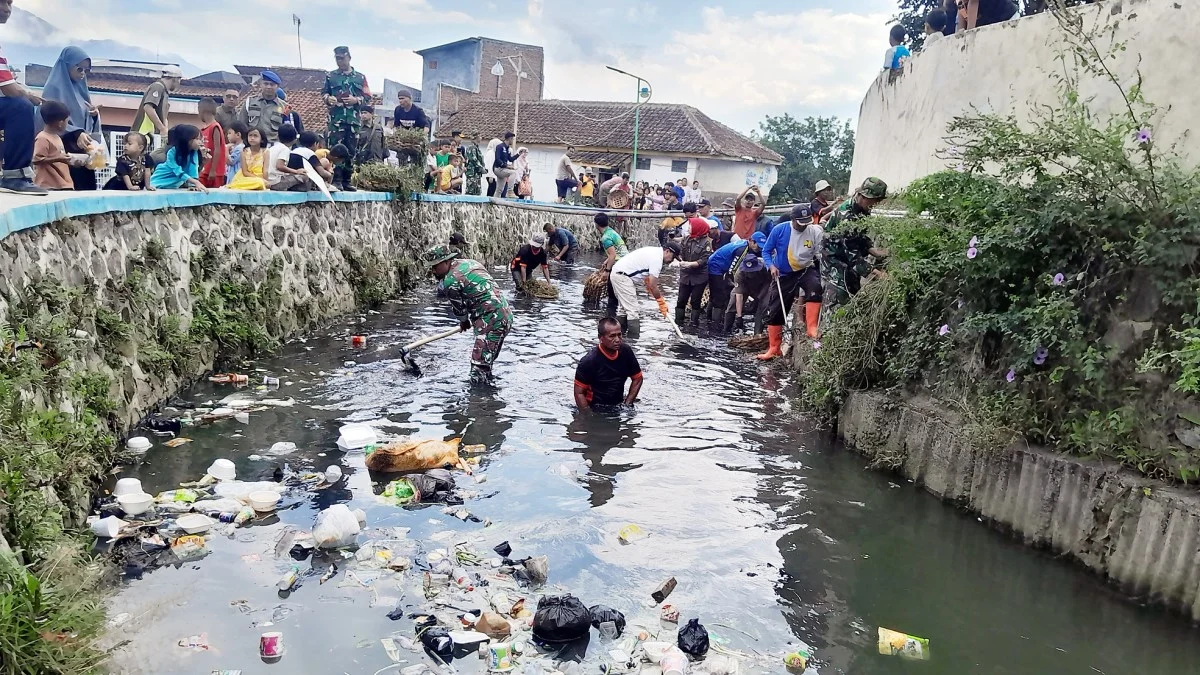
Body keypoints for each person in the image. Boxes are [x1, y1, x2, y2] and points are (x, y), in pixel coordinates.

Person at [424, 245, 514, 382]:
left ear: (446, 261)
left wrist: (464, 322)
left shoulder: (451, 281)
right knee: (486, 364)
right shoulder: (471, 263)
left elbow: (460, 311)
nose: (433, 271)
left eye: (435, 266)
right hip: (505, 316)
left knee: (478, 371)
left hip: (490, 322)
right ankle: (490, 399)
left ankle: (480, 402)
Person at [758, 204, 823, 360]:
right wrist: (771, 266)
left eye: (806, 223)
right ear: (793, 220)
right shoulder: (780, 230)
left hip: (805, 269)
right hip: (783, 273)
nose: (803, 227)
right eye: (800, 223)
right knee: (775, 310)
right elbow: (766, 251)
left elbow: (819, 254)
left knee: (815, 286)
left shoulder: (814, 231)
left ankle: (812, 327)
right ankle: (774, 348)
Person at [822, 177, 891, 315]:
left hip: (848, 263)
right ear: (864, 196)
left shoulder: (862, 209)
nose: (876, 205)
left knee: (852, 299)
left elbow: (860, 237)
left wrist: (874, 252)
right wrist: (878, 274)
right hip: (835, 264)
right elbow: (853, 258)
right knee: (837, 305)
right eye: (875, 201)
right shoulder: (846, 217)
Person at [40, 46, 101, 190]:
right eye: (79, 69)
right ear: (66, 66)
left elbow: (85, 120)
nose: (83, 74)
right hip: (61, 151)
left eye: (86, 71)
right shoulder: (54, 89)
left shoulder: (81, 90)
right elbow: (50, 120)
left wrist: (93, 115)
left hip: (82, 152)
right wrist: (76, 132)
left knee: (86, 192)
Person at [324, 46, 371, 191]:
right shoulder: (331, 76)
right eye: (337, 58)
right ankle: (336, 179)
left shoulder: (360, 77)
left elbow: (368, 97)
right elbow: (324, 93)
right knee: (336, 149)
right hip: (336, 120)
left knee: (351, 150)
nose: (340, 61)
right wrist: (328, 99)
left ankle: (346, 180)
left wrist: (356, 100)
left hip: (353, 120)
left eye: (342, 58)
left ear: (349, 57)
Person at [607, 242, 680, 332]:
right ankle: (633, 339)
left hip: (619, 273)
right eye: (673, 257)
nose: (672, 260)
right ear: (667, 251)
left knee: (624, 309)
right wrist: (661, 302)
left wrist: (648, 283)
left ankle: (619, 334)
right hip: (622, 276)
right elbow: (653, 285)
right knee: (633, 311)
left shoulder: (654, 251)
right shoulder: (657, 259)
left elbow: (647, 277)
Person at [574, 317, 643, 409]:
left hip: (617, 405)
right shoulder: (589, 361)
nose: (617, 339)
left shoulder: (626, 352)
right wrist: (588, 416)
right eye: (612, 336)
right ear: (600, 338)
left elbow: (638, 378)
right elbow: (579, 393)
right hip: (595, 407)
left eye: (619, 335)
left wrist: (627, 404)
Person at [707, 231, 761, 328]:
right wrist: (736, 283)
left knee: (716, 295)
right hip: (716, 266)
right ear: (752, 242)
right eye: (758, 245)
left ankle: (712, 318)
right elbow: (732, 270)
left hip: (719, 263)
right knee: (719, 296)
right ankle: (716, 323)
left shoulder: (744, 244)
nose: (759, 248)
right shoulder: (742, 250)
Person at [676, 216, 713, 327]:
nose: (689, 228)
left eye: (691, 226)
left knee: (696, 301)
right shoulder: (687, 239)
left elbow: (704, 260)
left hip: (699, 276)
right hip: (686, 275)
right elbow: (680, 252)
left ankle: (694, 324)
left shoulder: (706, 243)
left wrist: (690, 264)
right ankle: (678, 322)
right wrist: (681, 261)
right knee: (681, 300)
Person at [149, 124, 208, 191]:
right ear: (186, 139)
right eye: (197, 139)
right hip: (158, 182)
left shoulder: (194, 153)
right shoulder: (172, 153)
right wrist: (196, 182)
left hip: (173, 186)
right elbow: (177, 171)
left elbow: (193, 170)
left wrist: (193, 185)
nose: (200, 142)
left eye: (200, 139)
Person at [33, 101, 75, 190]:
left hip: (62, 184)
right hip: (49, 185)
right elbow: (36, 159)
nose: (67, 124)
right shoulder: (42, 138)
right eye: (67, 121)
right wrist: (59, 158)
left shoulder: (57, 137)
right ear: (60, 123)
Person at [130, 64, 181, 137]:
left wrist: (165, 128)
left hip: (151, 136)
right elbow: (148, 107)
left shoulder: (164, 91)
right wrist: (162, 128)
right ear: (175, 79)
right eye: (179, 79)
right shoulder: (158, 86)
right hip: (143, 135)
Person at [237, 71, 285, 145]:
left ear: (277, 86)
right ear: (261, 84)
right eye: (266, 84)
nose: (269, 87)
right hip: (252, 144)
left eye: (272, 84)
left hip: (273, 146)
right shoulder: (249, 102)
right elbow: (241, 124)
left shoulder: (284, 107)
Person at [197, 98, 227, 188]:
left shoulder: (215, 127)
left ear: (202, 110)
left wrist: (213, 170)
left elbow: (218, 149)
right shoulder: (203, 129)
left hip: (214, 171)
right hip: (204, 169)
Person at [266, 123, 297, 189]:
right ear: (295, 140)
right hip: (275, 181)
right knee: (304, 176)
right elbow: (279, 166)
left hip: (267, 179)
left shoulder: (272, 148)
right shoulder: (285, 149)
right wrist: (296, 171)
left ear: (277, 136)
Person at [493, 132, 517, 197]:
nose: (513, 141)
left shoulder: (507, 148)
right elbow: (497, 159)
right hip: (498, 168)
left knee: (499, 189)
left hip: (503, 169)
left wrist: (518, 155)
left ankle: (495, 202)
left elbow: (510, 159)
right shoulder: (500, 147)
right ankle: (510, 190)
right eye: (512, 139)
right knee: (513, 173)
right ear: (509, 139)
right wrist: (506, 166)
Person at [224, 121, 246, 185]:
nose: (227, 136)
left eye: (229, 133)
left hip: (236, 179)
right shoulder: (235, 147)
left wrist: (226, 149)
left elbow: (230, 161)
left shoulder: (240, 148)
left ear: (238, 135)